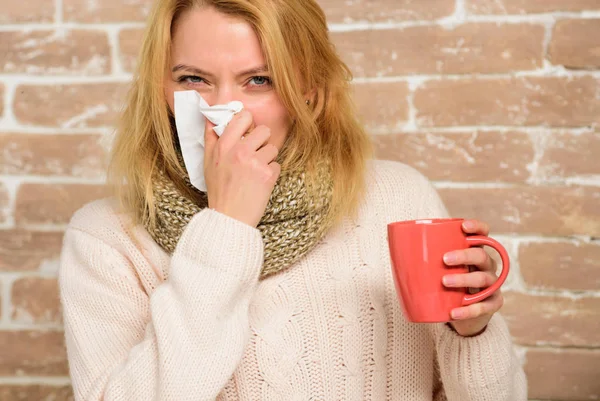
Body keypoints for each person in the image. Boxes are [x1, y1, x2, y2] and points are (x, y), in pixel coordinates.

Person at [58, 0, 528, 400]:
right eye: (193, 79)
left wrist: (473, 332)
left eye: (259, 80)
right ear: (162, 89)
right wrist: (225, 227)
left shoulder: (396, 195)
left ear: (309, 92)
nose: (226, 109)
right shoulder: (105, 237)